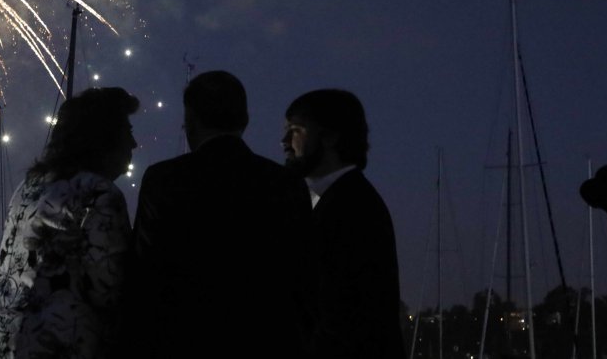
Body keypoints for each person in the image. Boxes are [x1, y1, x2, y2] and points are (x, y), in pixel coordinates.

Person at [120, 70, 313, 359]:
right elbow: (302, 278)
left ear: (191, 120)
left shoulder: (164, 179)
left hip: (180, 341)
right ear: (244, 119)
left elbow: (146, 273)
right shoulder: (286, 184)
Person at [0, 86, 140, 359]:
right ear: (105, 136)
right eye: (127, 132)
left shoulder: (28, 186)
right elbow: (109, 288)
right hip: (51, 343)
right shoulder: (98, 193)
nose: (134, 144)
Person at [282, 88, 406, 359]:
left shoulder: (353, 208)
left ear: (330, 137)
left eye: (296, 130)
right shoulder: (341, 200)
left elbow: (344, 315)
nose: (285, 142)